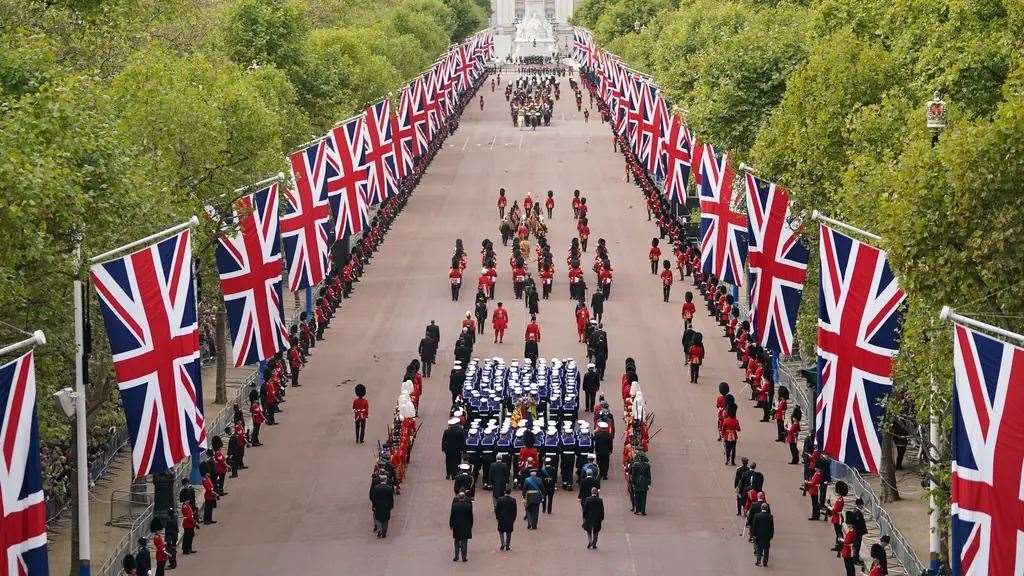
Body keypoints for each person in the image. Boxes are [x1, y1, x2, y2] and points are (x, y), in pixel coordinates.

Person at [449, 492, 474, 562]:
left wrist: (451, 524)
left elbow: (452, 516)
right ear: (464, 497)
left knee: (456, 541)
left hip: (457, 526)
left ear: (459, 498)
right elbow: (471, 517)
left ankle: (456, 556)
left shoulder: (455, 506)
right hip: (466, 526)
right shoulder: (468, 506)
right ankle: (464, 557)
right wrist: (471, 525)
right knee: (464, 541)